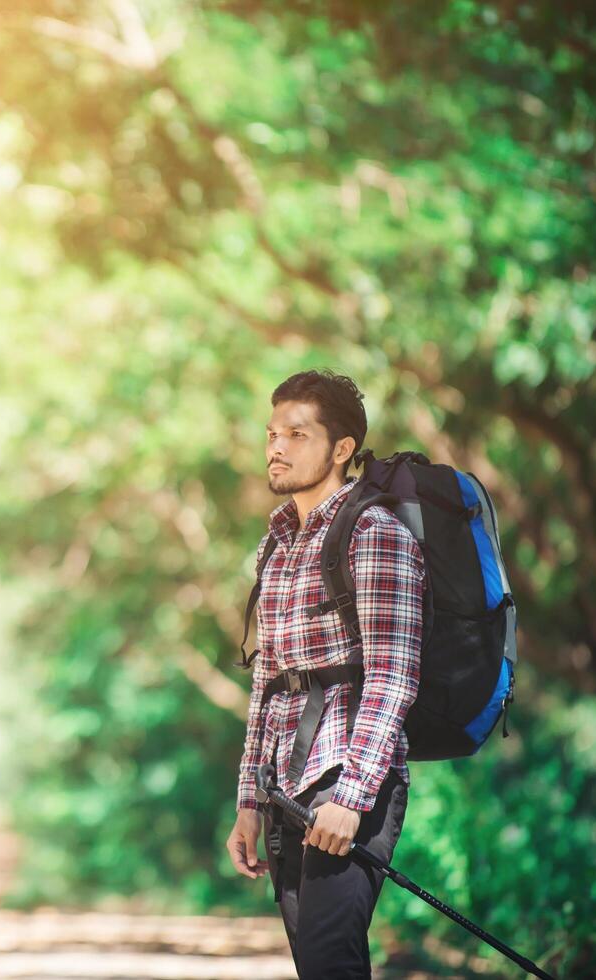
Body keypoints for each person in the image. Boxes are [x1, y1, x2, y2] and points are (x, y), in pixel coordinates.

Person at [224, 369, 426, 979]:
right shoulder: (277, 545)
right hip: (285, 785)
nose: (276, 448)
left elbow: (394, 675)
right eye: (271, 434)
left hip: (350, 780)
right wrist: (249, 801)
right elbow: (269, 682)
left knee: (330, 959)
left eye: (296, 434)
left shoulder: (375, 533)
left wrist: (352, 797)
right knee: (316, 966)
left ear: (342, 450)